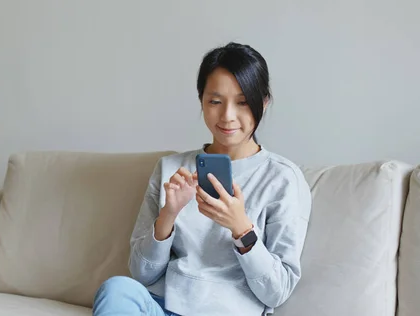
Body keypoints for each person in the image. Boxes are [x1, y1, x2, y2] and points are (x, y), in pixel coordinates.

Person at [92, 42, 312, 316]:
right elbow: (141, 275)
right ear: (201, 100)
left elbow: (277, 291)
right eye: (215, 101)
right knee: (117, 290)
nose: (228, 116)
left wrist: (242, 229)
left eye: (243, 102)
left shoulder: (282, 179)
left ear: (264, 103)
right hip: (163, 306)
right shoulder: (171, 168)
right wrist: (168, 216)